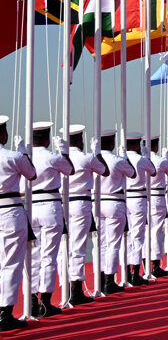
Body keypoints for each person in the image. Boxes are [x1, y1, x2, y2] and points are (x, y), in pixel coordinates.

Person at [29, 122, 74, 317]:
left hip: (30, 205)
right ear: (47, 138)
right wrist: (64, 152)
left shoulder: (26, 156)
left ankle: (30, 300)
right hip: (50, 205)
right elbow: (70, 169)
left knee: (32, 256)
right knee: (49, 256)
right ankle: (45, 301)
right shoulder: (53, 157)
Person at [64, 124, 109, 305]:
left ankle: (65, 287)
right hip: (81, 202)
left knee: (63, 247)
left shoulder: (62, 157)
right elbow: (104, 170)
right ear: (79, 139)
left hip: (63, 202)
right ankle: (75, 289)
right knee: (78, 246)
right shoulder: (86, 157)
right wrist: (97, 153)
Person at [0, 115, 36, 331]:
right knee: (11, 263)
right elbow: (31, 174)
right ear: (2, 134)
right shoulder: (13, 156)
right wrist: (23, 152)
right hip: (10, 210)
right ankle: (5, 312)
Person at [98, 129, 136, 294]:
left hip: (97, 202)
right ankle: (109, 280)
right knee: (113, 243)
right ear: (112, 143)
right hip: (114, 201)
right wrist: (125, 158)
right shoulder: (117, 160)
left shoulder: (95, 159)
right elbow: (132, 173)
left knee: (100, 244)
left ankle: (99, 279)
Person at [125, 133, 157, 286]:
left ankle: (125, 272)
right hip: (138, 198)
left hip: (124, 198)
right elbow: (153, 171)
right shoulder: (142, 160)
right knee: (137, 236)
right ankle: (135, 273)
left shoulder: (121, 158)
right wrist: (146, 156)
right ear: (138, 145)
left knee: (124, 236)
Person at [148, 135, 168, 277]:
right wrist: (166, 161)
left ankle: (139, 266)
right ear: (156, 146)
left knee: (141, 232)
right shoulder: (160, 161)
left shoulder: (138, 160)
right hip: (157, 197)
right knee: (157, 231)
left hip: (141, 197)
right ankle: (156, 264)